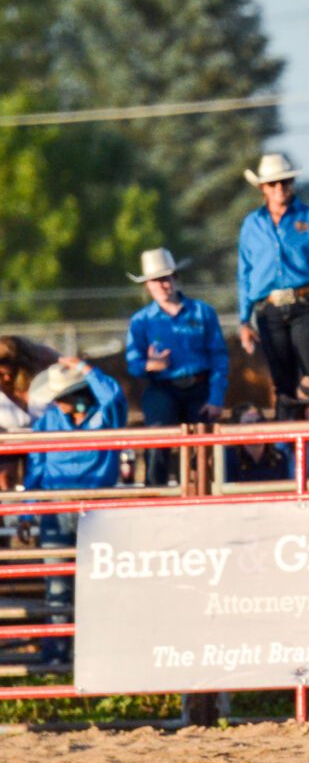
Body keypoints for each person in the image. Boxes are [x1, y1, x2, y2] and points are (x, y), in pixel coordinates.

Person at [23, 359, 127, 663]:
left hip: (96, 509)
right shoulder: (49, 421)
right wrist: (29, 510)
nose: (56, 401)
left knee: (98, 584)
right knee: (57, 585)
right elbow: (36, 465)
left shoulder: (107, 416)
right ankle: (56, 655)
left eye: (61, 395)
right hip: (57, 508)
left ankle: (98, 654)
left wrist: (86, 369)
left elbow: (113, 397)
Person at [237, 152, 309, 418]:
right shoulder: (252, 225)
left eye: (284, 182)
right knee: (282, 383)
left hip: (308, 303)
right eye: (273, 183)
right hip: (269, 309)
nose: (279, 188)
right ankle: (288, 451)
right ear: (263, 188)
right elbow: (245, 273)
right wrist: (244, 319)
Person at [124, 247, 230, 486]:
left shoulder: (203, 312)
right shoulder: (141, 321)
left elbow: (218, 357)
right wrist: (150, 365)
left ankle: (207, 492)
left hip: (199, 388)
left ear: (175, 279)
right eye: (155, 281)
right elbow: (133, 364)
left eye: (165, 278)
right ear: (147, 286)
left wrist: (215, 397)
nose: (161, 285)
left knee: (204, 446)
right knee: (158, 436)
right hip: (162, 387)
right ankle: (155, 492)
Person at [0, 337, 61, 491]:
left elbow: (59, 361)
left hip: (40, 438)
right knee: (5, 478)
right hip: (7, 439)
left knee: (38, 479)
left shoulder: (39, 380)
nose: (6, 377)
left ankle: (34, 513)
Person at [223, 403, 291, 483]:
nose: (255, 428)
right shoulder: (228, 458)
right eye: (248, 423)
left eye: (259, 421)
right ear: (236, 428)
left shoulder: (279, 457)